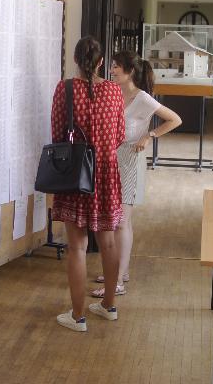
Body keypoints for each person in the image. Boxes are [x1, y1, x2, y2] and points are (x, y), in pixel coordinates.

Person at [92, 50, 181, 297]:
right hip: (110, 159)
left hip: (130, 159)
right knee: (118, 219)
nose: (111, 70)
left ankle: (117, 280)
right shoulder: (112, 91)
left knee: (121, 220)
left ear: (130, 71)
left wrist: (149, 135)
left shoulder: (142, 98)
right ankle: (120, 271)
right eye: (111, 66)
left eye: (116, 67)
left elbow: (175, 119)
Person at [52, 35, 125, 332]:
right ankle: (109, 306)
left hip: (76, 173)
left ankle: (78, 316)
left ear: (75, 60)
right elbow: (120, 135)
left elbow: (57, 133)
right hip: (106, 172)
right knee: (109, 242)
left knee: (77, 247)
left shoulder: (65, 89)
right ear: (101, 62)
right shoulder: (114, 90)